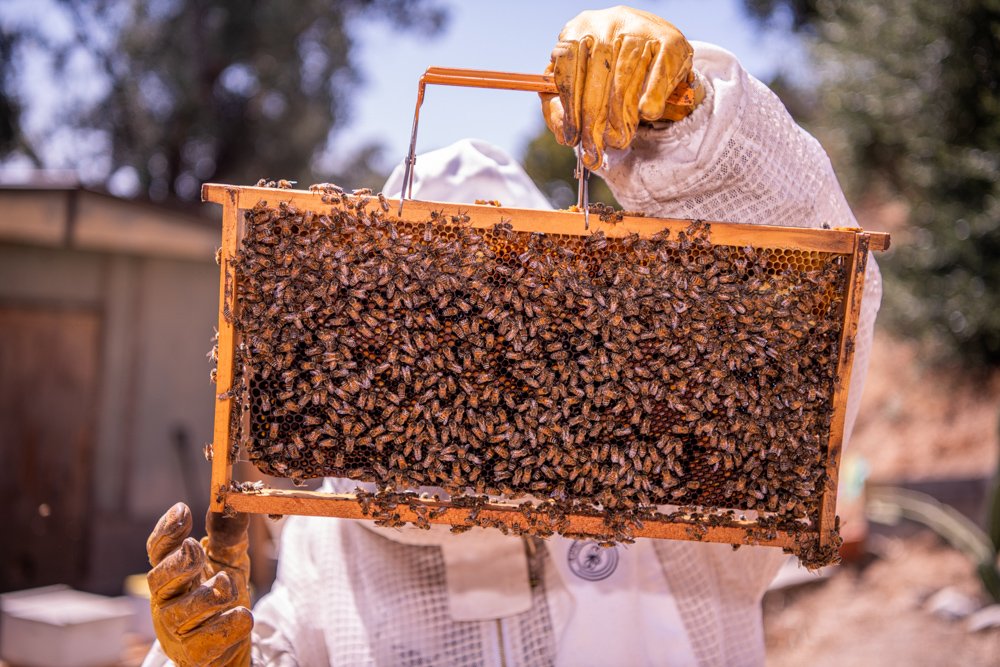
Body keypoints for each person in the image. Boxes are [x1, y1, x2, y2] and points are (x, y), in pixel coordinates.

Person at [142, 7, 882, 666]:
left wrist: (693, 131)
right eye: (427, 320)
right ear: (360, 326)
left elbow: (798, 306)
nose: (467, 362)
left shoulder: (678, 473)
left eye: (495, 312)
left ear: (567, 315)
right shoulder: (325, 545)